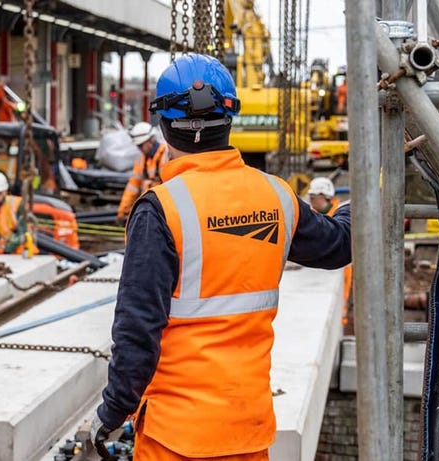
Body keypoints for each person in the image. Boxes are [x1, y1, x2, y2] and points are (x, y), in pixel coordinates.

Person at [90, 54, 352, 461]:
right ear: (231, 118)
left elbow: (138, 330)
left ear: (164, 126)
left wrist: (114, 410)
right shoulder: (277, 197)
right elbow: (339, 244)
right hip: (248, 431)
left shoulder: (160, 209)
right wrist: (375, 179)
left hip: (175, 438)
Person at [309, 176, 352, 326]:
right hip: (325, 273)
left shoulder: (341, 218)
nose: (311, 201)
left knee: (343, 299)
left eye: (313, 197)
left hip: (342, 268)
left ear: (323, 196)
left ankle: (342, 321)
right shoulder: (314, 216)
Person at [117, 122, 169, 221]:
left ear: (150, 141)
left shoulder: (166, 156)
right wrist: (123, 211)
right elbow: (132, 187)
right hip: (150, 208)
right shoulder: (142, 161)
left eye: (140, 146)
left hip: (165, 209)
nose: (139, 149)